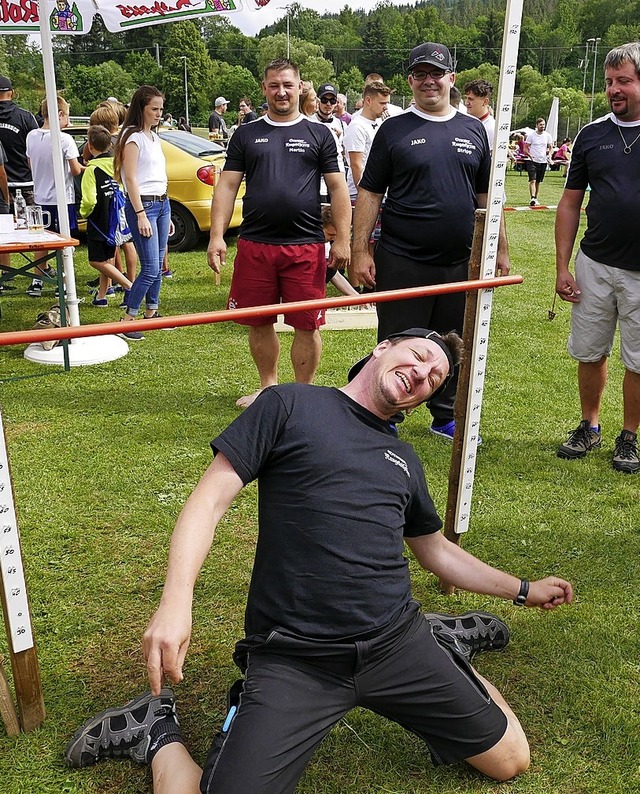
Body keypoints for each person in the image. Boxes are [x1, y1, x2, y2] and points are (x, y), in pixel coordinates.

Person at [64, 327, 574, 792]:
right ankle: (155, 732)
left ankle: (440, 648)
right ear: (383, 347)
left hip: (396, 643)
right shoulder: (289, 404)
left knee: (511, 760)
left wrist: (523, 589)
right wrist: (176, 601)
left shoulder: (404, 461)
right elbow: (210, 499)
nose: (422, 375)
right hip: (296, 658)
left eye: (434, 378)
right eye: (419, 358)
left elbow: (435, 551)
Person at [350, 42, 510, 441]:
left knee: (452, 342)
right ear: (410, 81)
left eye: (436, 73)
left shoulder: (473, 129)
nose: (429, 81)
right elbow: (370, 193)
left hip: (459, 262)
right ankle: (383, 413)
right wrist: (359, 250)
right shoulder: (394, 129)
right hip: (402, 259)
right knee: (396, 341)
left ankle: (444, 415)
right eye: (420, 74)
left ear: (451, 79)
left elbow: (487, 196)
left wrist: (500, 248)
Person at [207, 58, 351, 409]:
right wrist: (216, 236)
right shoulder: (246, 133)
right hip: (256, 244)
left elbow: (338, 188)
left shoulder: (319, 133)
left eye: (288, 84)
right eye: (274, 85)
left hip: (305, 246)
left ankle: (302, 393)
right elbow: (227, 186)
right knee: (259, 321)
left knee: (307, 325)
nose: (281, 91)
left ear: (300, 87)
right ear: (264, 88)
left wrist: (343, 238)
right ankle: (269, 388)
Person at [555, 42, 640, 474]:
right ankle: (589, 425)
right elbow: (570, 203)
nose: (613, 90)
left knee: (639, 359)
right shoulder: (591, 135)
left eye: (623, 81)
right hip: (595, 263)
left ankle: (629, 435)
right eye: (609, 82)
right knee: (590, 352)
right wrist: (562, 266)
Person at [114, 85, 171, 342]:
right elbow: (131, 179)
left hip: (162, 203)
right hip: (144, 205)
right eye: (154, 109)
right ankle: (127, 319)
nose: (159, 114)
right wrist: (139, 213)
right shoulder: (133, 137)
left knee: (157, 265)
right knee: (149, 267)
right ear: (141, 109)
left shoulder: (153, 136)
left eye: (161, 109)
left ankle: (152, 312)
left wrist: (163, 210)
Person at [25, 94, 84, 298]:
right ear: (60, 114)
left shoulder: (31, 136)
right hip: (61, 199)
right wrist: (88, 167)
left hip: (40, 196)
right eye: (67, 115)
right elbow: (75, 170)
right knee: (64, 242)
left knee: (42, 241)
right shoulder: (65, 139)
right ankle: (65, 283)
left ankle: (37, 281)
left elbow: (30, 164)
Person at [80, 125, 134, 307]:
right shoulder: (115, 165)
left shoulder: (91, 170)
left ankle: (129, 286)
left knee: (96, 260)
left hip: (99, 221)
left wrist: (83, 213)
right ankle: (101, 296)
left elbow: (89, 200)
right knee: (107, 258)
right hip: (117, 218)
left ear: (89, 145)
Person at [343, 81, 391, 202]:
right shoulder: (357, 126)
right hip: (360, 194)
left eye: (387, 103)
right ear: (368, 100)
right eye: (382, 103)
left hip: (379, 191)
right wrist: (365, 197)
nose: (385, 107)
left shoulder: (380, 122)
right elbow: (356, 165)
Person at [0, 74, 38, 207]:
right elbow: (36, 149)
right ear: (12, 93)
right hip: (25, 183)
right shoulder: (26, 117)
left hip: (1, 187)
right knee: (31, 224)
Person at [524, 118, 552, 206]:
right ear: (537, 125)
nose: (542, 126)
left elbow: (551, 147)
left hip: (542, 161)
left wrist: (549, 155)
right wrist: (529, 155)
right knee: (533, 179)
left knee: (538, 181)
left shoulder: (548, 136)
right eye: (541, 125)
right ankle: (532, 198)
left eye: (543, 125)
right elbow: (525, 148)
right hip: (532, 161)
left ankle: (535, 197)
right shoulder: (531, 136)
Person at [464, 78, 495, 147]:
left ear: (485, 102)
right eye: (466, 98)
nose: (466, 103)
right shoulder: (464, 122)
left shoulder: (490, 129)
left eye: (471, 99)